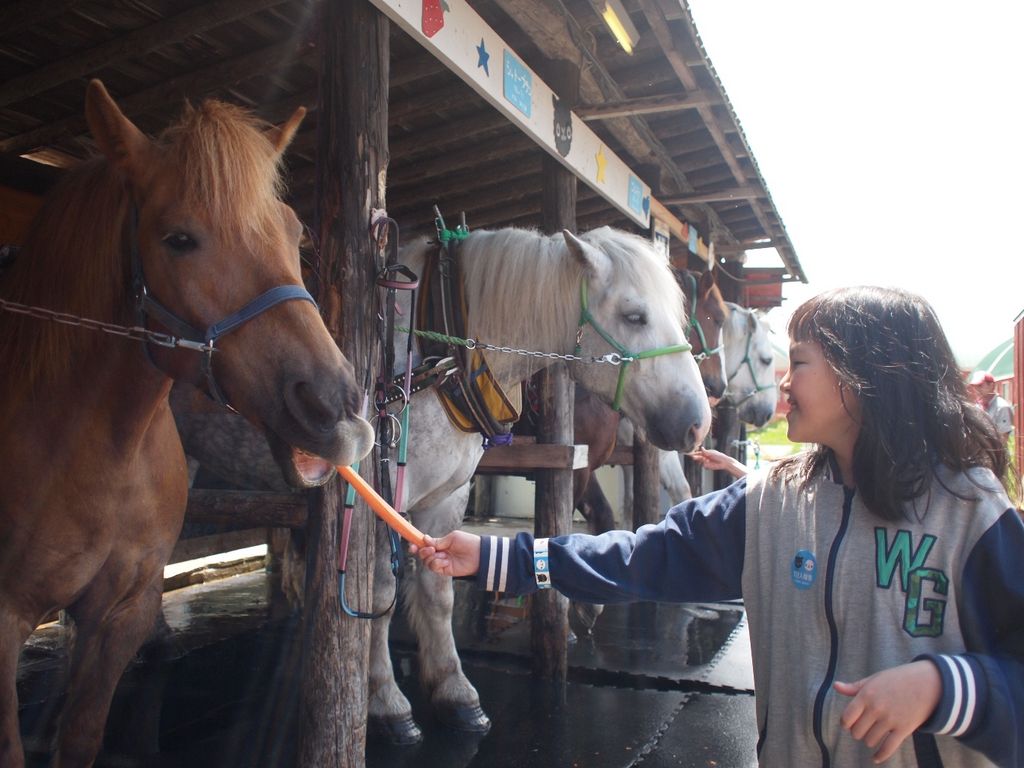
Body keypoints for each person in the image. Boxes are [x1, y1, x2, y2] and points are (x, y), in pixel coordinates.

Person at [413, 286, 1024, 767]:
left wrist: (944, 688)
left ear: (865, 382)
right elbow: (639, 557)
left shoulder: (969, 511)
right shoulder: (772, 503)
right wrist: (500, 559)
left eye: (801, 364)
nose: (783, 381)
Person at [969, 371, 1014, 442]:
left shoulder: (1001, 407)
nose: (976, 389)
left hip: (994, 452)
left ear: (991, 385)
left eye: (980, 385)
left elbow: (1003, 438)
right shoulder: (977, 406)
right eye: (975, 386)